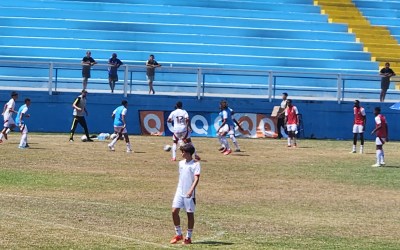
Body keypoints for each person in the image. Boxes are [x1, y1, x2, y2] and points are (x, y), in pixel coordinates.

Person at [170, 143, 201, 245]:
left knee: (189, 214)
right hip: (180, 191)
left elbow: (196, 179)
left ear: (188, 153)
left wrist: (191, 190)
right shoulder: (181, 163)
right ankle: (178, 234)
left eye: (183, 152)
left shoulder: (195, 164)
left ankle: (188, 237)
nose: (181, 153)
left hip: (189, 193)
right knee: (174, 211)